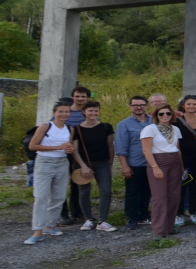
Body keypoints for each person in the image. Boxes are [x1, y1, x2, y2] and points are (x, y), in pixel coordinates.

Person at [24, 102, 75, 245]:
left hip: (62, 162)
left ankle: (50, 226)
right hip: (44, 162)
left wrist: (69, 149)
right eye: (60, 111)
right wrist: (58, 147)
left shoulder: (70, 129)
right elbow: (33, 146)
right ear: (54, 113)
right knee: (41, 197)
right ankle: (37, 231)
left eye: (66, 112)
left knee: (58, 197)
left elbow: (68, 146)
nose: (64, 114)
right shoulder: (46, 126)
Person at [71, 101, 117, 232]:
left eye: (96, 111)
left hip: (102, 163)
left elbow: (110, 146)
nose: (93, 113)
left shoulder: (106, 127)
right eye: (90, 110)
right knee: (84, 192)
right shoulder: (77, 129)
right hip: (82, 164)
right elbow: (75, 150)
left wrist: (110, 162)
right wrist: (83, 166)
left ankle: (102, 220)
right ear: (84, 112)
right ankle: (88, 219)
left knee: (106, 191)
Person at [141, 104, 183, 239]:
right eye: (161, 114)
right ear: (156, 116)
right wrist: (155, 167)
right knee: (160, 197)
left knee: (174, 196)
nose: (165, 116)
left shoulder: (175, 129)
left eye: (168, 114)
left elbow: (177, 148)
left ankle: (169, 227)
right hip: (159, 161)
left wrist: (181, 166)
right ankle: (158, 230)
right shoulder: (150, 129)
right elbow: (146, 150)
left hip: (175, 161)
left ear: (172, 115)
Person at [115, 96, 153, 230]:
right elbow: (121, 147)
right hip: (134, 163)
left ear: (146, 106)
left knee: (147, 191)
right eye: (135, 105)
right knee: (133, 191)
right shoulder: (124, 124)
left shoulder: (153, 121)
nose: (139, 107)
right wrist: (124, 165)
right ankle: (132, 217)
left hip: (151, 163)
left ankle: (144, 214)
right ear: (130, 107)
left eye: (141, 105)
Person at [172, 95, 196, 226]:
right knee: (180, 186)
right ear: (183, 105)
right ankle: (178, 214)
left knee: (195, 186)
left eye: (194, 104)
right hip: (181, 158)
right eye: (188, 104)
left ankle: (194, 212)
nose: (191, 106)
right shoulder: (175, 121)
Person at [58, 86, 91, 226]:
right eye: (77, 96)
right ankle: (62, 214)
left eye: (83, 96)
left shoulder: (88, 112)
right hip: (63, 153)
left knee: (78, 182)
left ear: (87, 98)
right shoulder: (65, 112)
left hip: (82, 153)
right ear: (73, 97)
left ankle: (77, 211)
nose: (80, 99)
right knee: (60, 183)